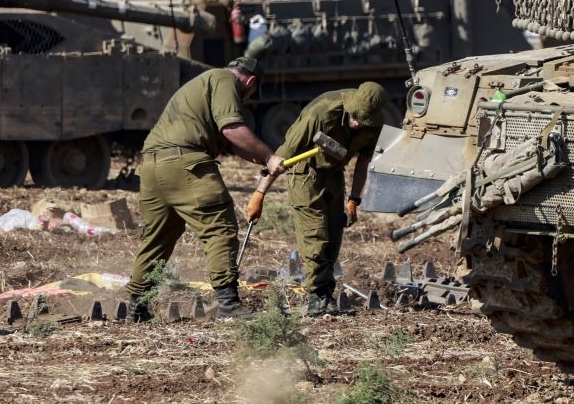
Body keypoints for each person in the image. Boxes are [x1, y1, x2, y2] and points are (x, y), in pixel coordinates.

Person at [122, 57, 283, 321]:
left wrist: (263, 160)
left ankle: (137, 306)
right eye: (251, 95)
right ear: (251, 83)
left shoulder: (202, 85)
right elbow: (232, 128)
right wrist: (269, 156)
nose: (247, 100)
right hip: (185, 164)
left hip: (152, 166)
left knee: (157, 239)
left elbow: (232, 142)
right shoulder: (225, 80)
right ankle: (229, 303)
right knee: (219, 226)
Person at [274, 81, 388, 317]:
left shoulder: (373, 125)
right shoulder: (323, 110)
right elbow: (282, 157)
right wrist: (259, 192)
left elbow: (363, 162)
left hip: (335, 173)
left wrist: (355, 199)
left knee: (334, 231)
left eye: (363, 120)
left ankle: (326, 293)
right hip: (305, 170)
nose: (358, 123)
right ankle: (317, 296)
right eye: (356, 117)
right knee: (315, 234)